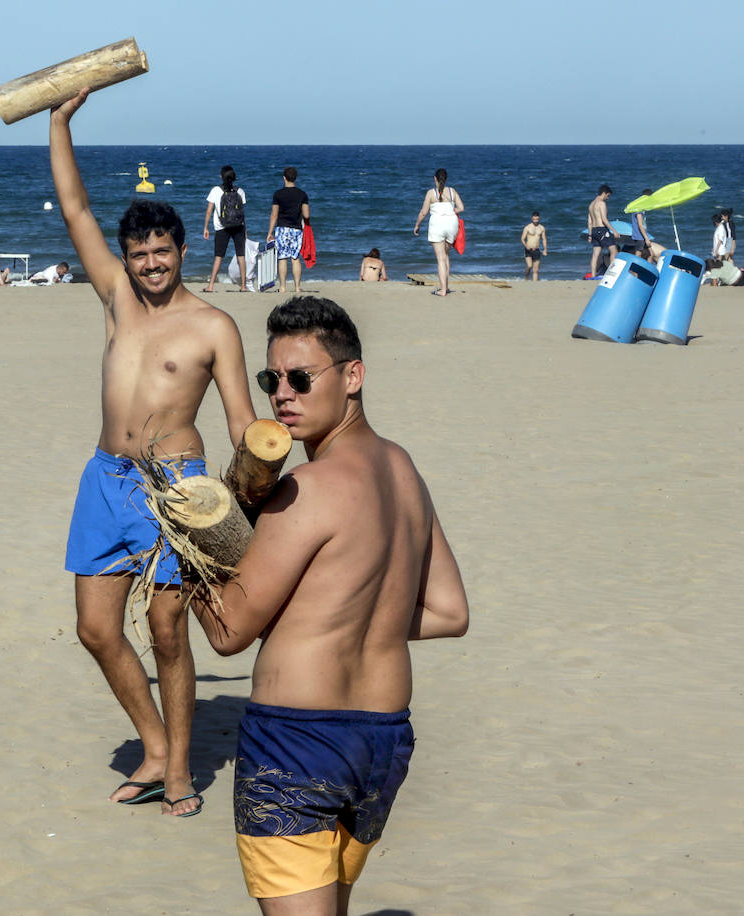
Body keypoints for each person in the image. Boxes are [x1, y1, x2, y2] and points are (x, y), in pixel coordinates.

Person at [190, 296, 469, 913]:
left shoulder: (305, 490)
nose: (281, 394)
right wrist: (351, 610)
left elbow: (229, 631)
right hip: (381, 739)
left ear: (353, 376)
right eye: (271, 380)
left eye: (299, 378)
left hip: (297, 738)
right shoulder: (402, 469)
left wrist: (187, 552)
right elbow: (450, 612)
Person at [50, 87, 256, 818]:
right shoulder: (115, 298)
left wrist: (251, 490)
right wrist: (60, 121)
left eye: (160, 252)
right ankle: (156, 743)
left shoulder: (214, 327)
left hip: (178, 488)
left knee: (169, 630)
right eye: (138, 254)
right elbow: (75, 210)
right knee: (96, 629)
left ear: (182, 250)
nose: (148, 264)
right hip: (105, 478)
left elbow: (243, 424)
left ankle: (178, 772)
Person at [412, 169, 464, 297]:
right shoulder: (452, 191)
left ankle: (442, 290)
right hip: (452, 224)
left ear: (435, 178)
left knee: (440, 259)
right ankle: (445, 287)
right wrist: (450, 212)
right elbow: (461, 208)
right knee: (446, 256)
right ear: (446, 179)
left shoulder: (431, 193)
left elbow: (423, 212)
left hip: (438, 225)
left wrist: (417, 225)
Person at [204, 165, 248, 293]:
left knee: (218, 256)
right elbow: (242, 213)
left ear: (221, 176)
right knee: (241, 256)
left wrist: (206, 227)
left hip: (221, 227)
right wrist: (245, 230)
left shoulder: (215, 190)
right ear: (234, 177)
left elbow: (208, 211)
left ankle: (211, 286)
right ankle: (243, 286)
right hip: (238, 226)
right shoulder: (240, 191)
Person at [266, 167, 311, 294]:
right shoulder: (302, 194)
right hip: (296, 229)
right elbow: (306, 215)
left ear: (284, 178)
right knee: (295, 258)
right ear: (295, 178)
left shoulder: (278, 194)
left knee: (282, 258)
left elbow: (274, 215)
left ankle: (283, 288)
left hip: (282, 229)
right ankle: (297, 288)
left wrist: (270, 232)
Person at [585, 184, 617, 280]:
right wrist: (614, 231)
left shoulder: (591, 204)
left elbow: (589, 222)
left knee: (595, 255)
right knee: (614, 251)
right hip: (602, 230)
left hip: (594, 231)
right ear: (604, 193)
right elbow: (604, 220)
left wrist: (590, 235)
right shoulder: (601, 203)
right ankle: (612, 274)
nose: (607, 198)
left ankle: (593, 275)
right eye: (608, 195)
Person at [628, 195, 664, 263]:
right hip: (640, 237)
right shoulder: (639, 210)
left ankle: (648, 271)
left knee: (650, 254)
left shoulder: (641, 209)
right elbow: (640, 226)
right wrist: (646, 238)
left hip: (642, 237)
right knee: (638, 254)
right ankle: (634, 271)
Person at [520, 212, 547, 280]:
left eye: (537, 219)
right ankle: (526, 277)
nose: (535, 221)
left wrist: (545, 249)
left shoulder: (542, 228)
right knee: (529, 266)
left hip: (537, 250)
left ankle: (535, 284)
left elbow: (544, 239)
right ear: (532, 218)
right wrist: (526, 245)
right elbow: (522, 239)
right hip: (528, 249)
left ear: (539, 218)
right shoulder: (527, 227)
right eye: (534, 219)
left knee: (536, 270)